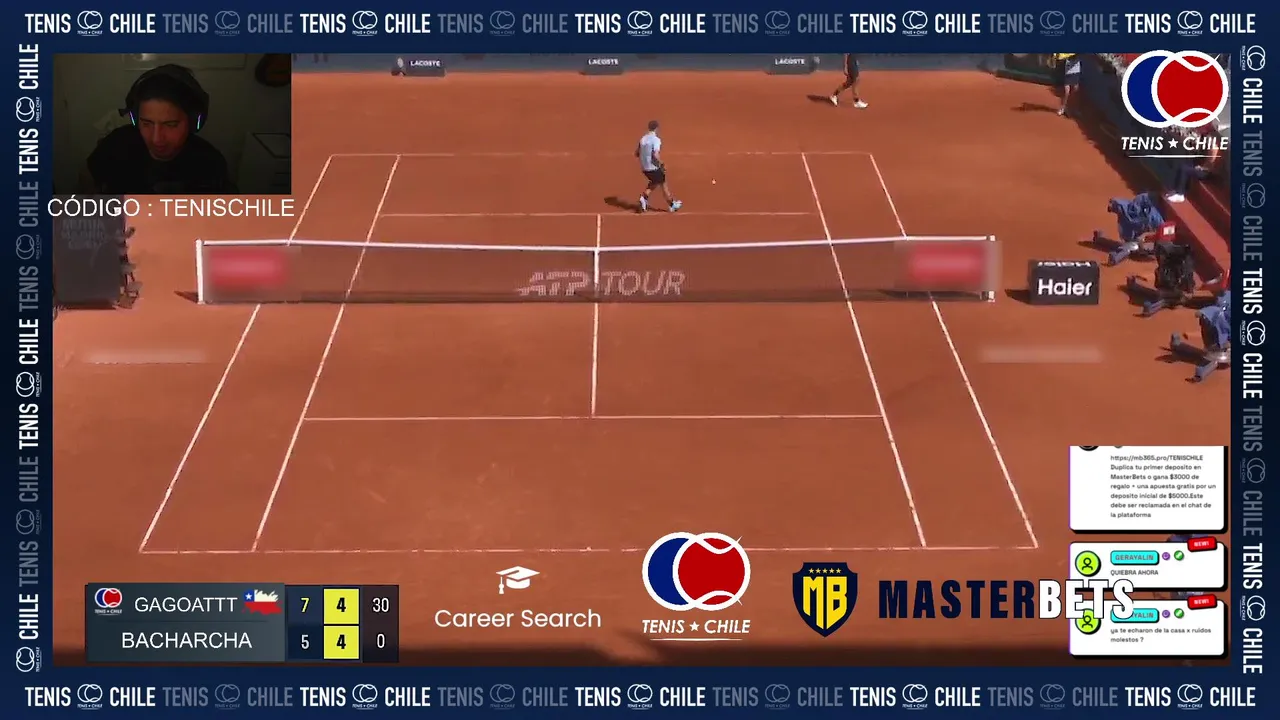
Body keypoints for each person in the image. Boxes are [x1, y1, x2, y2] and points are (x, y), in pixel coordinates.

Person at [78, 64, 235, 194]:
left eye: (171, 125)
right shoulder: (117, 143)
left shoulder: (211, 163)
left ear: (194, 122)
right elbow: (86, 177)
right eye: (147, 123)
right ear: (135, 118)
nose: (156, 139)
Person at [636, 120, 681, 213]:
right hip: (653, 167)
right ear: (656, 128)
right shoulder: (656, 140)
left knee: (655, 182)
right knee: (663, 184)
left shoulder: (642, 139)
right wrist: (662, 164)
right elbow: (655, 154)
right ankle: (672, 205)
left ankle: (643, 198)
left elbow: (637, 153)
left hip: (644, 168)